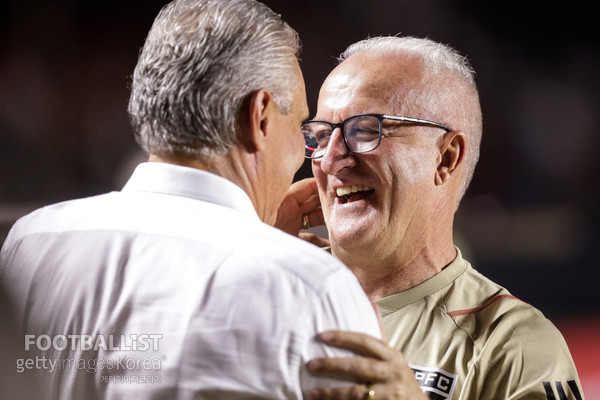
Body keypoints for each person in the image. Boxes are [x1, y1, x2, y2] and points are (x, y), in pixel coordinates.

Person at [0, 0, 382, 398]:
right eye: (301, 125)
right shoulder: (312, 287)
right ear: (261, 116)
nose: (306, 151)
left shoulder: (29, 241)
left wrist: (257, 237)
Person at [289, 36, 584, 399]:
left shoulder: (510, 345)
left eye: (364, 130)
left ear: (445, 158)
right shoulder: (269, 289)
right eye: (320, 136)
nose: (330, 159)